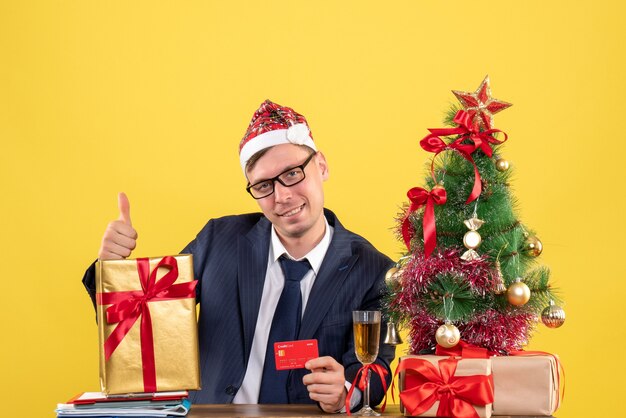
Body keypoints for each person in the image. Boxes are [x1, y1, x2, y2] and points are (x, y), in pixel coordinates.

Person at [82, 100, 395, 412]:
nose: (282, 196)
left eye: (293, 174)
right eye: (263, 186)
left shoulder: (373, 270)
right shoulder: (219, 241)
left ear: (322, 166)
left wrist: (345, 391)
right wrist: (112, 270)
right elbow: (148, 326)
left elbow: (377, 365)